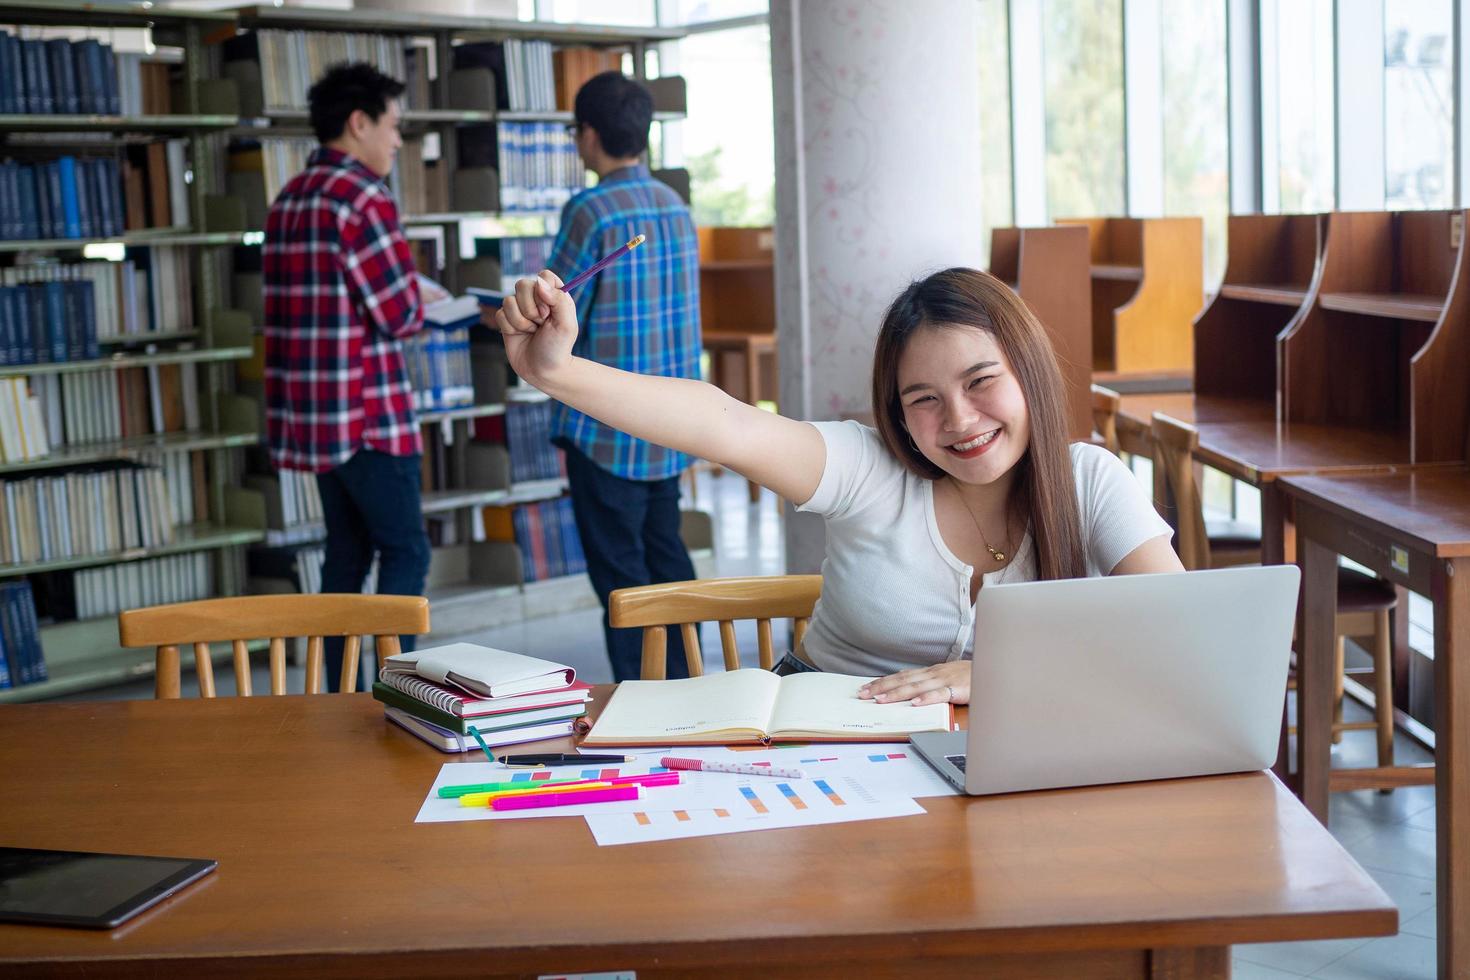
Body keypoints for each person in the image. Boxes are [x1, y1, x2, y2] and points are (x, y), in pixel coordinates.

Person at [490, 265, 1185, 704]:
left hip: (1002, 755)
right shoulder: (867, 466)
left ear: (1028, 370)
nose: (961, 421)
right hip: (822, 744)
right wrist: (555, 371)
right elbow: (722, 423)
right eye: (924, 400)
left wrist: (1006, 675)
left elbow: (1178, 632)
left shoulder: (1089, 481)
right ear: (898, 414)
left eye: (981, 383)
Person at [263, 62, 439, 691]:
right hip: (368, 416)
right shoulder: (363, 196)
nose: (397, 141)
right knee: (407, 551)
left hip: (311, 420)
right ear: (358, 122)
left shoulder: (290, 197)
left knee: (346, 552)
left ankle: (336, 692)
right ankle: (400, 692)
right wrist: (431, 305)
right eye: (393, 126)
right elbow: (400, 314)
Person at [543, 70, 703, 682]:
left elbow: (551, 303)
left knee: (620, 579)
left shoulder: (591, 209)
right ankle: (693, 691)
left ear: (588, 135)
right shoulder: (675, 205)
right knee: (667, 558)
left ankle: (642, 699)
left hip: (606, 428)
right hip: (669, 422)